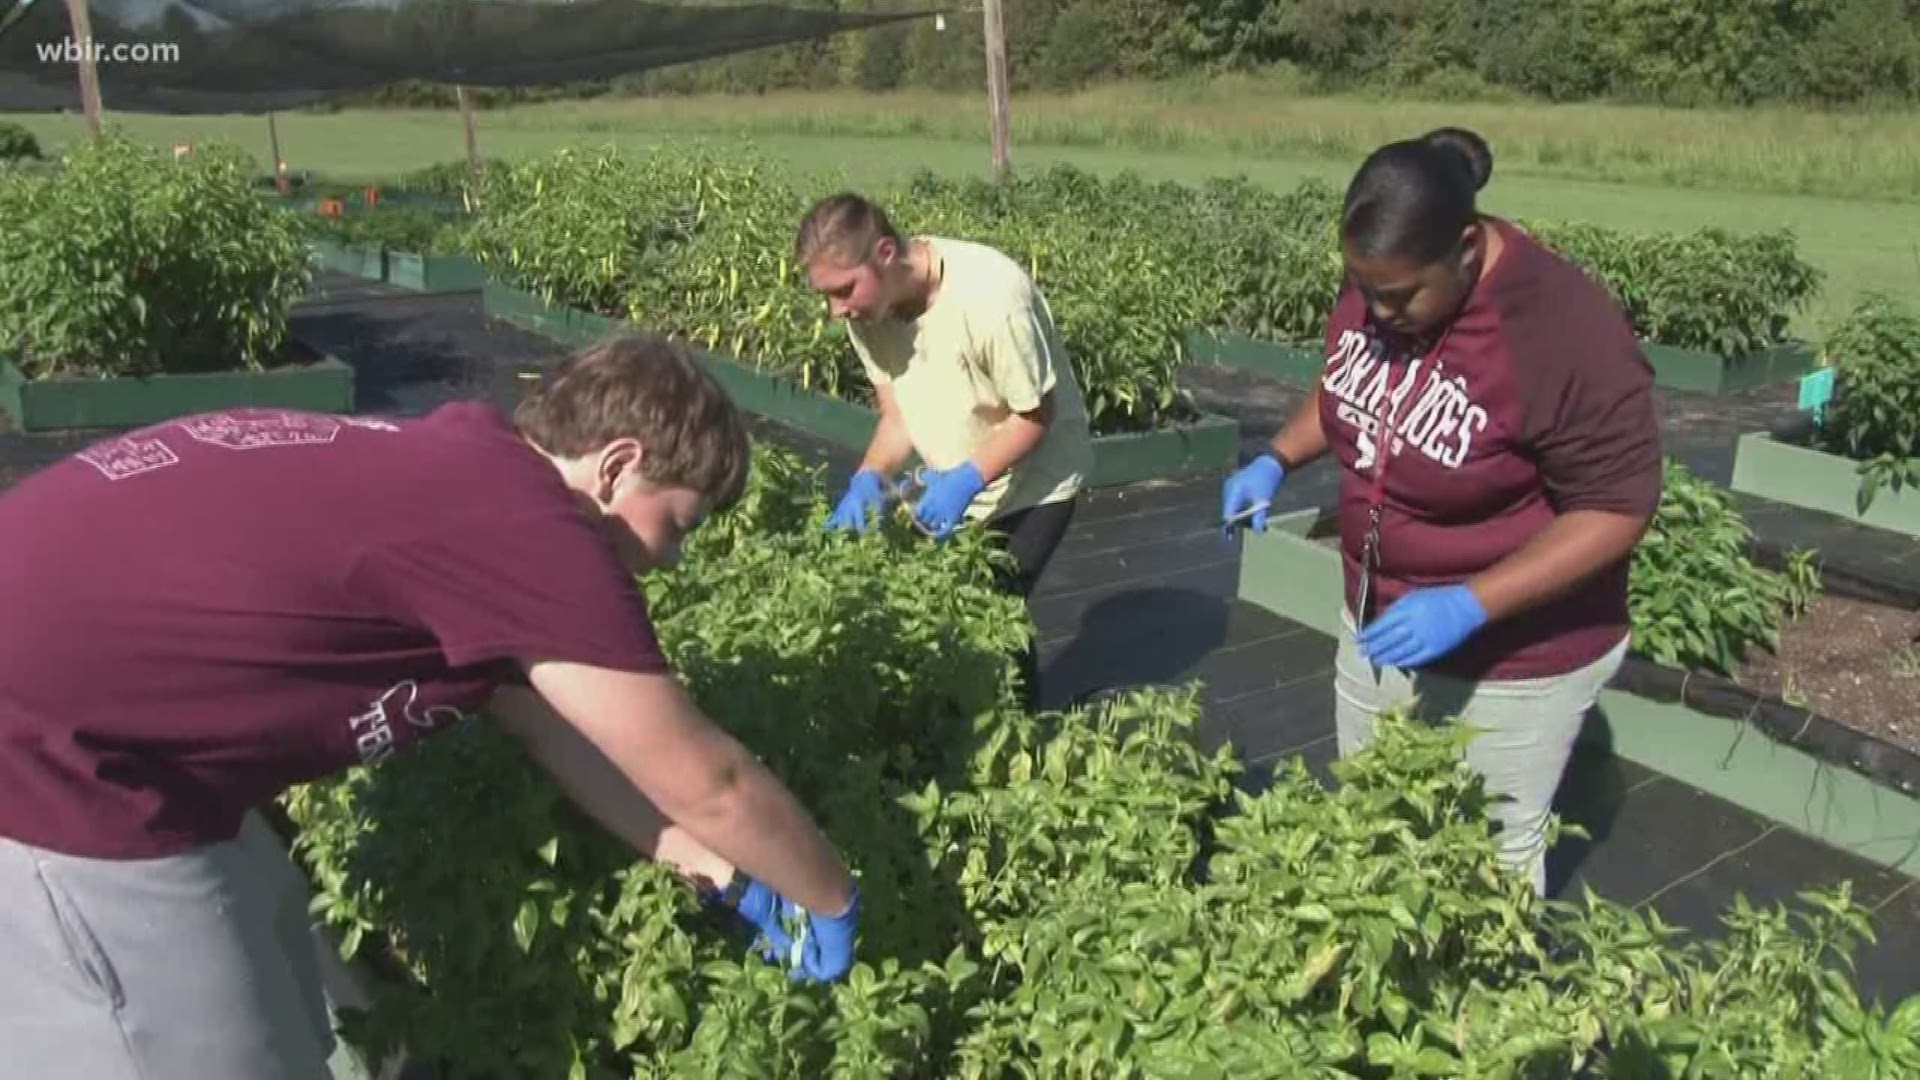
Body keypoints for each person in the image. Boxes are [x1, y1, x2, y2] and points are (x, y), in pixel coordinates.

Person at [0, 335, 861, 1080]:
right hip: (50, 753)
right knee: (195, 1046)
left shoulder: (466, 472)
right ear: (617, 464)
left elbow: (554, 730)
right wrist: (829, 896)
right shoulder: (533, 533)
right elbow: (714, 783)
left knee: (281, 980)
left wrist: (725, 876)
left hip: (132, 732)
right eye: (678, 524)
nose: (671, 560)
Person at [1220, 127, 1664, 896]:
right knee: (1371, 823)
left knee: (1479, 866)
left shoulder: (1560, 328)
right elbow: (1347, 387)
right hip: (1378, 621)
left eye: (1396, 296)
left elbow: (1618, 508)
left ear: (1466, 248)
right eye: (1363, 292)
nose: (1377, 311)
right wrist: (1277, 457)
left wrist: (1470, 603)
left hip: (1515, 657)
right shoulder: (1384, 282)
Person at [797, 192, 1095, 709]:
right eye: (826, 295)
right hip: (950, 473)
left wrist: (966, 479)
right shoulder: (868, 313)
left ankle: (1020, 736)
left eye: (844, 290)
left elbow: (1035, 416)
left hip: (1034, 481)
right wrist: (870, 479)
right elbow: (898, 416)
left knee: (993, 613)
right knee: (938, 608)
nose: (836, 309)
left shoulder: (991, 299)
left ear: (886, 253)